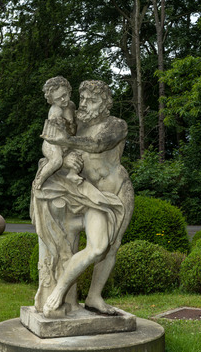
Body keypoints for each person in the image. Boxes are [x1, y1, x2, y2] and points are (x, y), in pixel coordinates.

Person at [31, 80, 134, 317]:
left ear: (106, 104)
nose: (85, 104)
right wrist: (65, 159)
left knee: (112, 246)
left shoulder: (116, 125)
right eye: (84, 98)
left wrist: (63, 140)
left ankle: (95, 296)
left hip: (116, 190)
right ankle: (61, 289)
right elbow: (57, 149)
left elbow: (97, 145)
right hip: (88, 195)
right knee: (99, 247)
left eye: (93, 100)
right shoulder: (77, 123)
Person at [33, 76, 82, 190]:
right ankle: (39, 179)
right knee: (56, 161)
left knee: (81, 153)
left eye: (65, 95)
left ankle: (72, 174)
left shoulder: (71, 105)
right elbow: (54, 122)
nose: (63, 100)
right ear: (52, 100)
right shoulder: (56, 110)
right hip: (52, 143)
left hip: (66, 140)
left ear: (69, 91)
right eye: (58, 99)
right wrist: (57, 121)